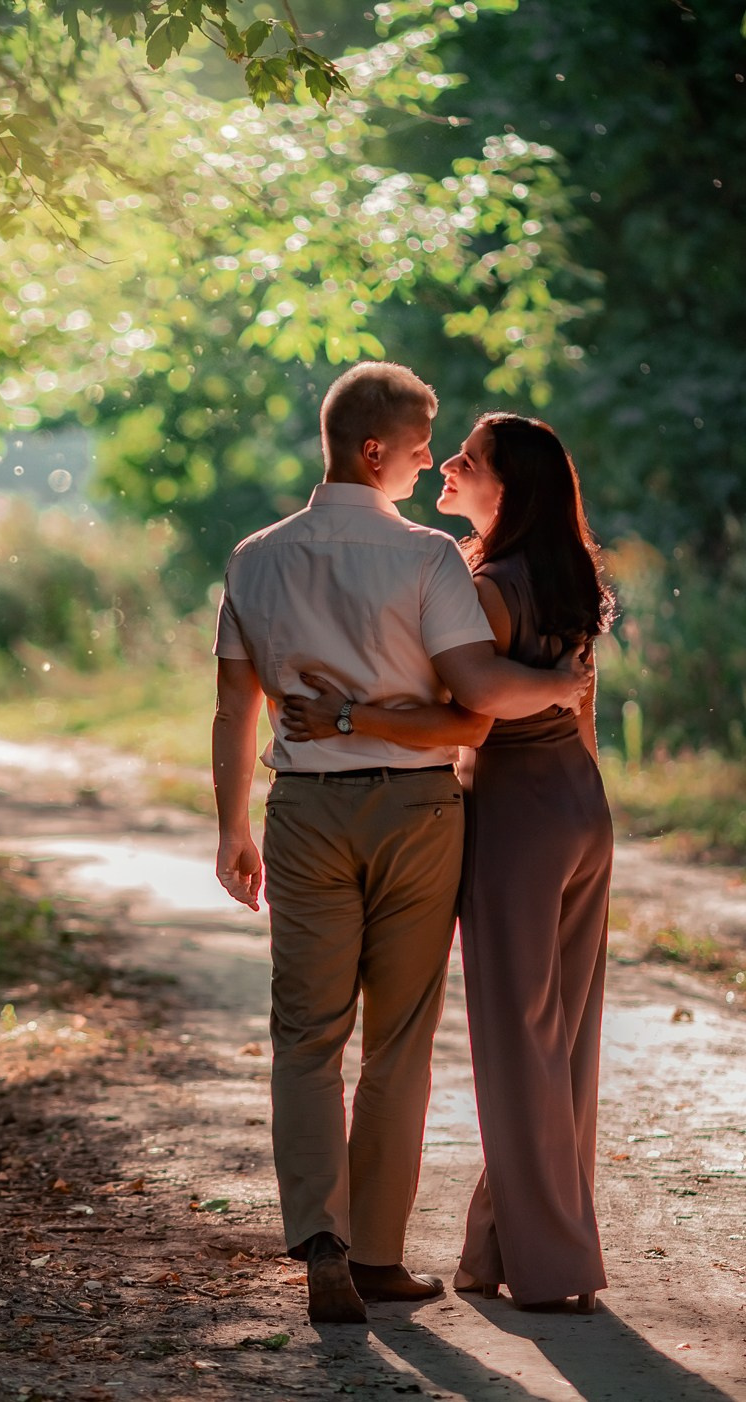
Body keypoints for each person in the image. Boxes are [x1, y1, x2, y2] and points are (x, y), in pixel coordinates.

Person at [211, 364, 592, 1324]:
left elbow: (232, 709)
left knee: (306, 1036)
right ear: (374, 450)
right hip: (419, 814)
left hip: (302, 812)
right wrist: (557, 688)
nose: (430, 465)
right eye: (421, 448)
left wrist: (229, 828)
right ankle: (378, 1255)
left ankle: (321, 1241)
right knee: (400, 1040)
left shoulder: (253, 557)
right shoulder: (427, 559)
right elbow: (472, 708)